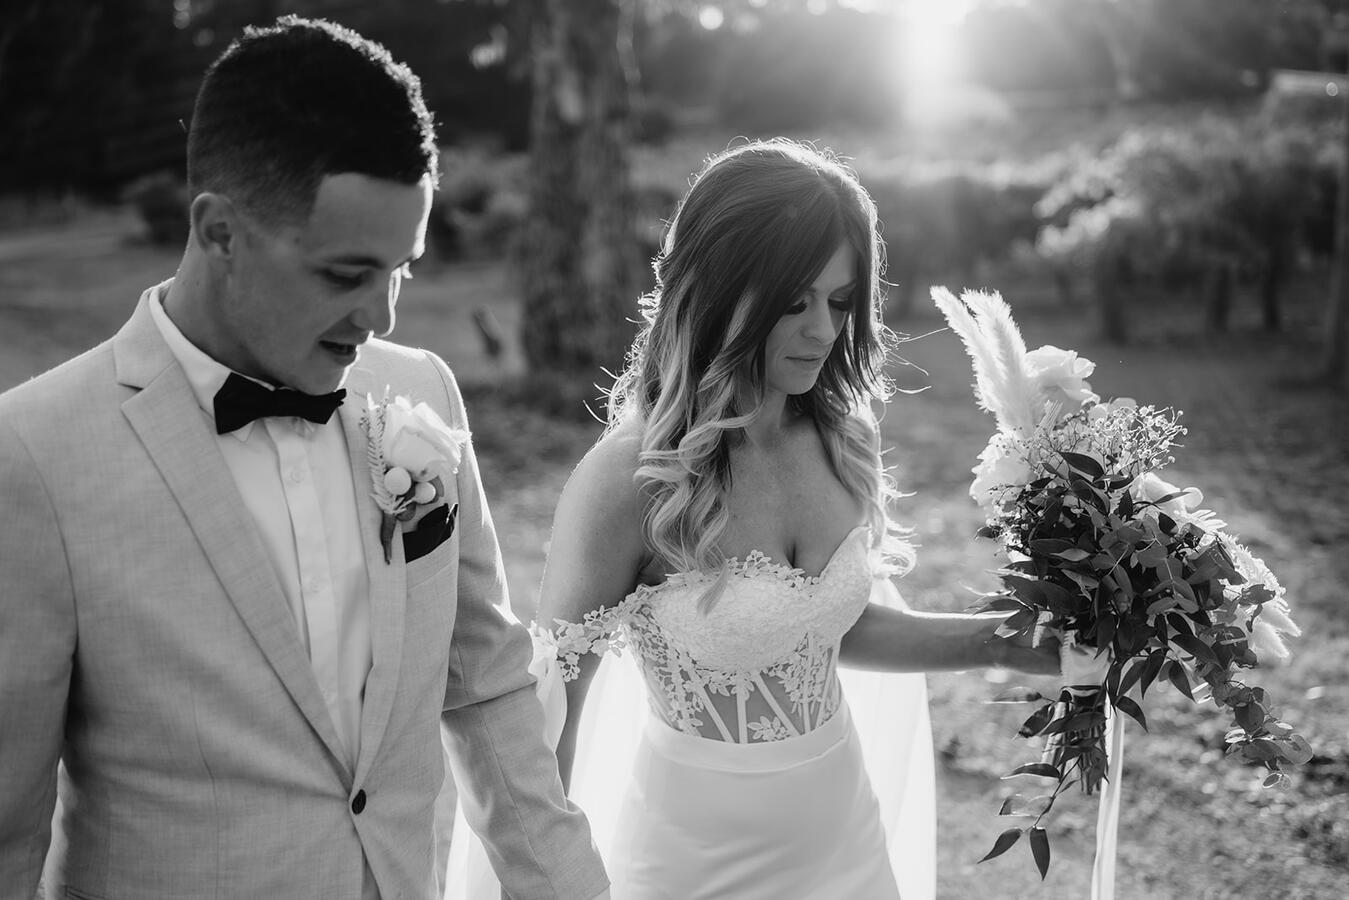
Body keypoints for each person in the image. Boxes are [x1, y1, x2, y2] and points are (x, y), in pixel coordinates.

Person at [0, 17, 607, 900]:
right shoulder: (36, 454)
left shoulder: (423, 395)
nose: (382, 317)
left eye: (403, 269)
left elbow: (484, 687)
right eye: (345, 274)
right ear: (219, 232)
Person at [530, 139, 1061, 899]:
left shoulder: (841, 439)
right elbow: (551, 711)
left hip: (844, 838)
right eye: (792, 302)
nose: (824, 331)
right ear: (713, 292)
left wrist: (1003, 644)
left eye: (840, 301)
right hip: (692, 863)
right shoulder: (630, 480)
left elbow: (822, 631)